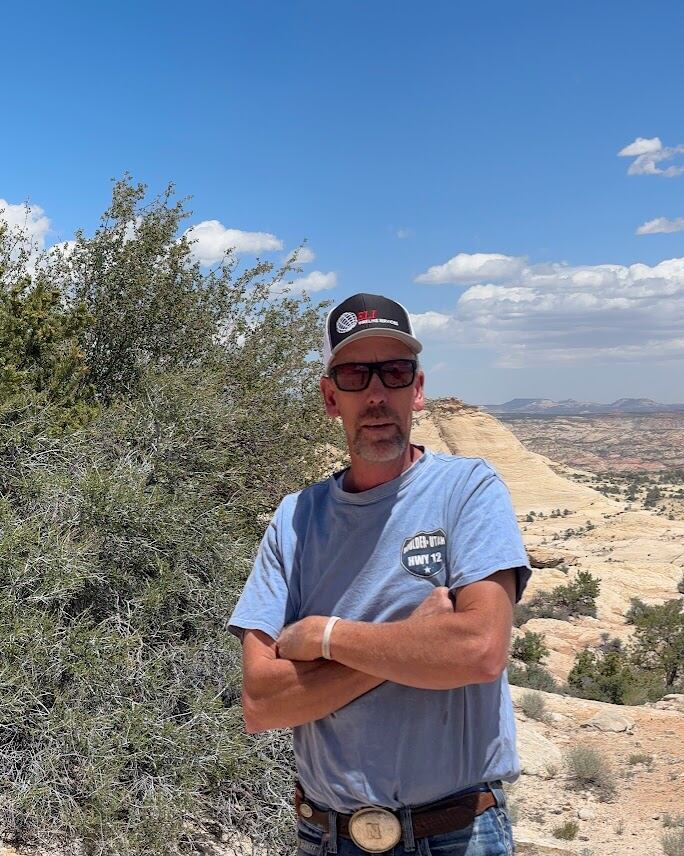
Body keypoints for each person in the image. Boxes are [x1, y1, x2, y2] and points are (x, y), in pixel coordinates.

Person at [231, 293, 529, 855]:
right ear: (329, 397)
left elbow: (480, 650)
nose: (375, 394)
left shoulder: (468, 491)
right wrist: (416, 644)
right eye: (353, 374)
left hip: (457, 835)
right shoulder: (296, 520)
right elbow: (262, 702)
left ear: (416, 390)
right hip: (328, 837)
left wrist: (325, 637)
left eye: (393, 372)